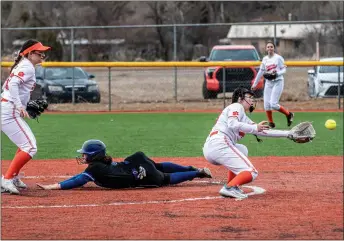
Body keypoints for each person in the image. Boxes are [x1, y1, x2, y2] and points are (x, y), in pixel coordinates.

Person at [203, 87, 294, 199]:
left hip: (214, 147)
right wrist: (254, 127)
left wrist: (288, 133)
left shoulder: (243, 116)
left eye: (252, 98)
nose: (251, 100)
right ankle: (229, 187)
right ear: (240, 98)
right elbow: (232, 124)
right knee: (252, 172)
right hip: (219, 144)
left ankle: (232, 184)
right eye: (249, 97)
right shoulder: (236, 106)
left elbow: (262, 132)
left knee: (242, 149)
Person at [36, 139, 212, 191]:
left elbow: (77, 181)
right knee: (159, 166)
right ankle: (191, 169)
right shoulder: (103, 162)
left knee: (165, 178)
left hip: (138, 175)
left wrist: (55, 186)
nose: (82, 156)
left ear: (93, 156)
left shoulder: (95, 168)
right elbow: (81, 176)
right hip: (136, 160)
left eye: (84, 154)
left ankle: (196, 173)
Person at [1, 39, 51, 194]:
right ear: (30, 53)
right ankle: (8, 179)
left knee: (25, 144)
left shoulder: (24, 65)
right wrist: (19, 105)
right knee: (30, 146)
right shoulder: (27, 67)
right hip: (9, 111)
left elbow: (6, 86)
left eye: (43, 52)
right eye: (39, 52)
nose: (42, 55)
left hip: (7, 108)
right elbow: (13, 84)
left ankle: (13, 176)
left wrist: (24, 104)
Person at [251, 41, 294, 128]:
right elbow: (261, 71)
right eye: (268, 47)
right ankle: (271, 123)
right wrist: (255, 83)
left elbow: (284, 70)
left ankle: (289, 114)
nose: (270, 48)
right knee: (266, 104)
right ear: (266, 49)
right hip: (269, 82)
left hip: (278, 81)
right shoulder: (265, 59)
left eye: (271, 47)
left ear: (274, 48)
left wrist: (276, 74)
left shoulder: (278, 58)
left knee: (273, 104)